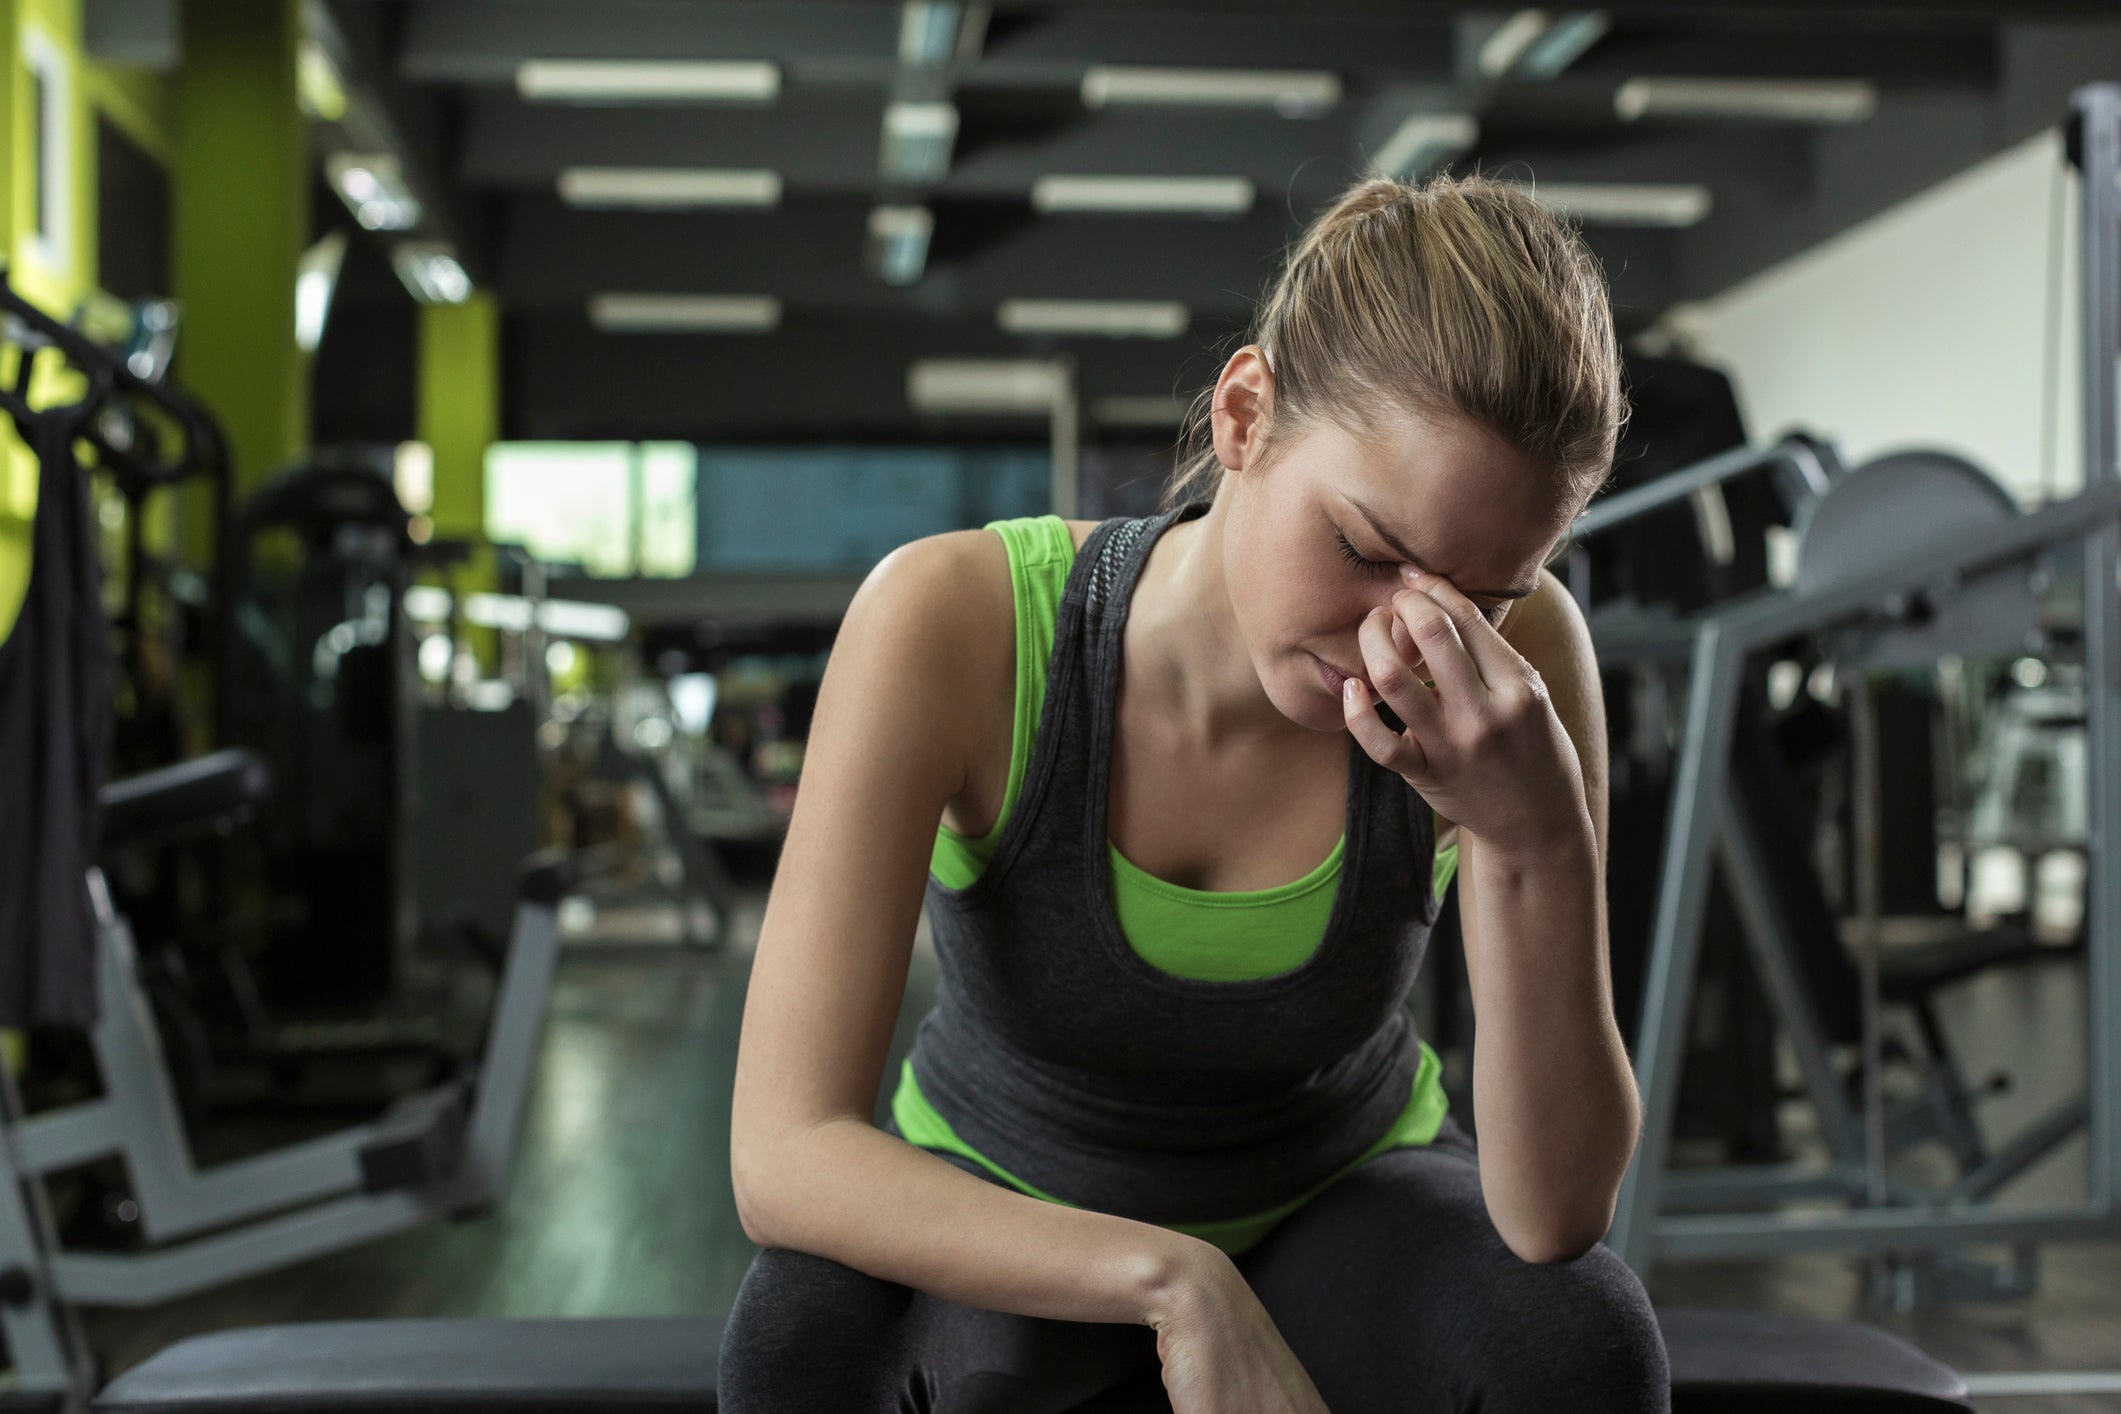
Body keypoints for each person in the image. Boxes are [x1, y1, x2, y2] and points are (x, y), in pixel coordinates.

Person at [721, 173, 1669, 1413]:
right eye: (1366, 550)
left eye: (1478, 599)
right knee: (804, 1344)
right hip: (1006, 1188)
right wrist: (1176, 1278)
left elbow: (1553, 1214)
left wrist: (1536, 836)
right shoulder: (953, 622)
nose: (1406, 640)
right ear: (1243, 415)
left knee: (1574, 1338)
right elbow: (785, 1153)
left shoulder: (1518, 670)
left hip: (1346, 1195)